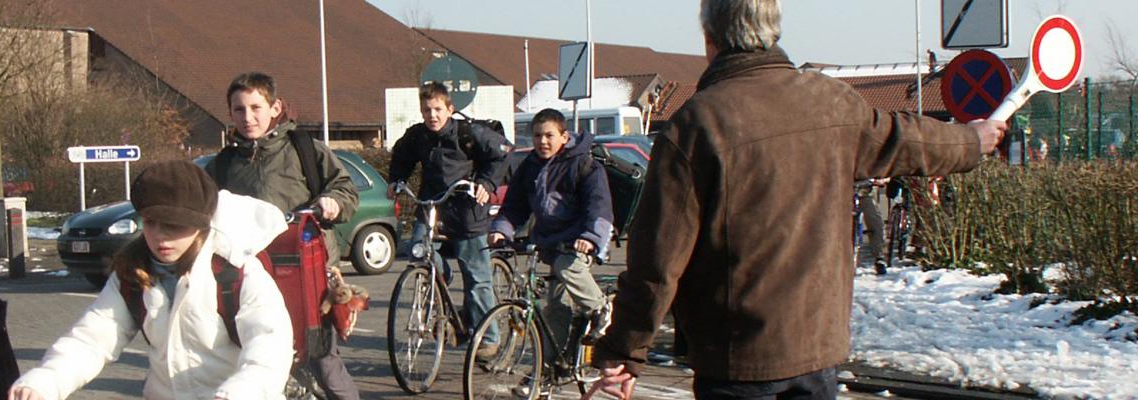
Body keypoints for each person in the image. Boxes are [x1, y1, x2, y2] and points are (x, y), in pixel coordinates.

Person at [587, 1, 1007, 399]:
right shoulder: (830, 102)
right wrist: (972, 138)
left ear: (709, 37)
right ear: (773, 30)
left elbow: (658, 261)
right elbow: (910, 139)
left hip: (737, 359)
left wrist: (625, 352)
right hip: (817, 350)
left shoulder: (697, 124)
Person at [10, 161, 295, 400]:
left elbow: (269, 349)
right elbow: (92, 340)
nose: (160, 236)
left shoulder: (237, 274)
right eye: (150, 222)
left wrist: (237, 394)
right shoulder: (133, 273)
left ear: (201, 224)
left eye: (174, 225)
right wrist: (46, 380)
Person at [204, 72, 362, 399]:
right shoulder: (223, 164)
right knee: (255, 361)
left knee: (323, 363)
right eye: (239, 109)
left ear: (275, 107)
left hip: (308, 273)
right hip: (248, 277)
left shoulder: (303, 149)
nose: (248, 117)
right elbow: (202, 208)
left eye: (256, 107)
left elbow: (346, 189)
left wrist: (333, 202)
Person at [389, 81, 508, 349]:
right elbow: (401, 156)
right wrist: (396, 180)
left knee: (477, 279)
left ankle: (489, 339)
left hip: (467, 212)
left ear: (450, 109)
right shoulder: (418, 136)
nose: (432, 115)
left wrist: (486, 184)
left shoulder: (469, 133)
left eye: (438, 109)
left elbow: (501, 155)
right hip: (431, 208)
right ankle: (443, 293)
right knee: (420, 255)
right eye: (427, 110)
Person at [488, 108, 614, 359]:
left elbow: (599, 206)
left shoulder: (584, 165)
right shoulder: (529, 167)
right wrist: (502, 230)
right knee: (555, 309)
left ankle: (601, 309)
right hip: (549, 244)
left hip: (579, 242)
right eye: (537, 136)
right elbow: (514, 206)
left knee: (568, 267)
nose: (542, 142)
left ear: (564, 137)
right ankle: (546, 372)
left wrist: (590, 238)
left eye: (549, 135)